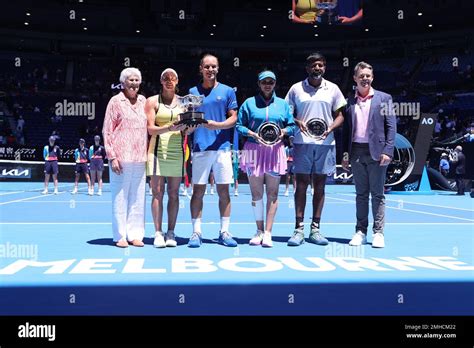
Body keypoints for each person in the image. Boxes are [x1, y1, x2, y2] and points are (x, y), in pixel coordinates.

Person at [285, 52, 346, 246]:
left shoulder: (333, 89)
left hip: (325, 143)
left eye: (320, 65)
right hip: (302, 142)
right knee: (301, 184)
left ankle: (316, 230)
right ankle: (298, 229)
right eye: (313, 65)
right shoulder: (296, 89)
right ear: (307, 69)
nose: (317, 68)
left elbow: (341, 115)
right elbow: (286, 113)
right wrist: (297, 121)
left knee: (320, 186)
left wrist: (330, 128)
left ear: (324, 67)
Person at [341, 61, 396, 249]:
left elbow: (391, 126)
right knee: (361, 194)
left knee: (378, 194)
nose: (365, 78)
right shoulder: (349, 101)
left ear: (372, 78)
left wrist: (388, 150)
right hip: (356, 151)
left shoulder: (384, 99)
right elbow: (346, 130)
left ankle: (378, 232)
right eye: (361, 75)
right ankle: (360, 231)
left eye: (368, 76)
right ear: (355, 78)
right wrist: (345, 155)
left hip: (377, 152)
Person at [237, 70, 295, 247]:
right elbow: (239, 126)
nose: (267, 84)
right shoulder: (249, 103)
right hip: (253, 150)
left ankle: (268, 233)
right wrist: (252, 133)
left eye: (271, 81)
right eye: (264, 82)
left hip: (274, 151)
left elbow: (292, 125)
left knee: (273, 193)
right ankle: (258, 231)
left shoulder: (283, 104)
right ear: (259, 84)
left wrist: (283, 132)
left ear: (275, 83)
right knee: (256, 193)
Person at [187, 53, 239, 248]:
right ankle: (196, 232)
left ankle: (224, 232)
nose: (210, 70)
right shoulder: (193, 92)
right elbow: (190, 118)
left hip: (222, 148)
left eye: (213, 66)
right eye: (207, 66)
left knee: (223, 191)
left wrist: (216, 125)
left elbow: (233, 118)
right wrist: (190, 128)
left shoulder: (227, 91)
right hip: (200, 148)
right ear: (200, 69)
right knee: (198, 191)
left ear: (218, 69)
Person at [103, 67, 148, 248]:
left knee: (138, 198)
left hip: (140, 157)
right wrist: (112, 156)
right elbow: (107, 130)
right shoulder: (115, 102)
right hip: (121, 157)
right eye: (130, 80)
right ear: (123, 83)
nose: (134, 83)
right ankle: (120, 236)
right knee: (120, 197)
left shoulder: (144, 101)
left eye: (137, 80)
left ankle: (135, 234)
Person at [145, 68, 187, 248]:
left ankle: (171, 232)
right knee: (157, 192)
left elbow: (186, 129)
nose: (169, 81)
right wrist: (169, 127)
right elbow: (150, 129)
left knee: (174, 194)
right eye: (165, 78)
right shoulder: (152, 101)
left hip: (177, 151)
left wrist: (191, 127)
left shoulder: (184, 103)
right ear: (161, 81)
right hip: (157, 150)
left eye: (173, 78)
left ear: (177, 81)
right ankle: (157, 233)